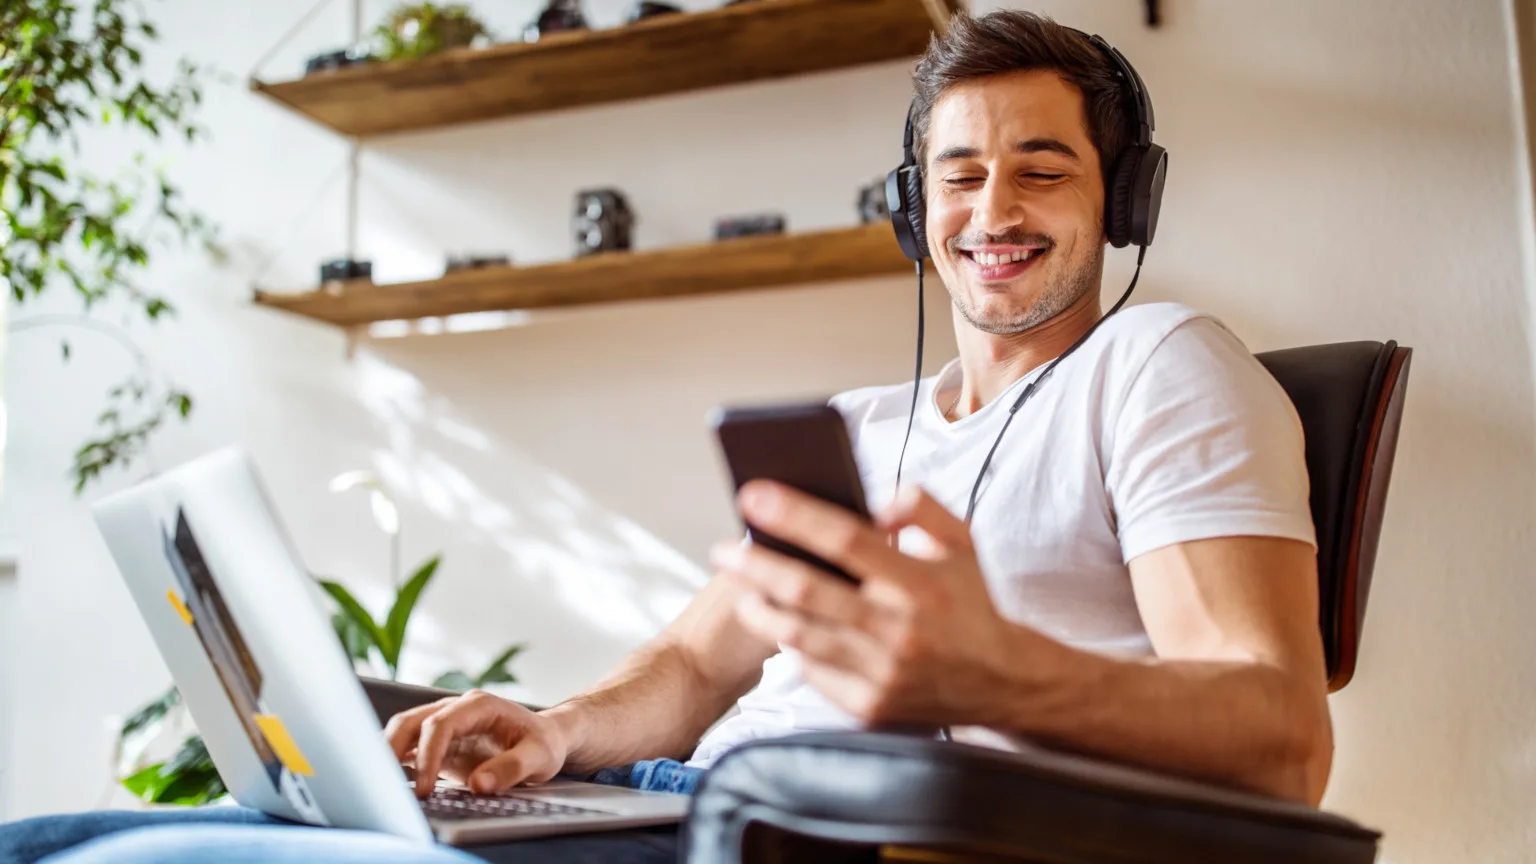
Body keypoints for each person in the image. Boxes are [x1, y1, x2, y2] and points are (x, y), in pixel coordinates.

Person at [0, 10, 1332, 864]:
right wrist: (554, 732)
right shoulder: (855, 429)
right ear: (909, 207)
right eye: (959, 174)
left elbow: (1281, 735)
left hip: (821, 836)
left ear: (1125, 200)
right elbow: (697, 665)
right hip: (677, 798)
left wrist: (995, 676)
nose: (993, 211)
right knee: (55, 839)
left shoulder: (1159, 368)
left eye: (1042, 169)